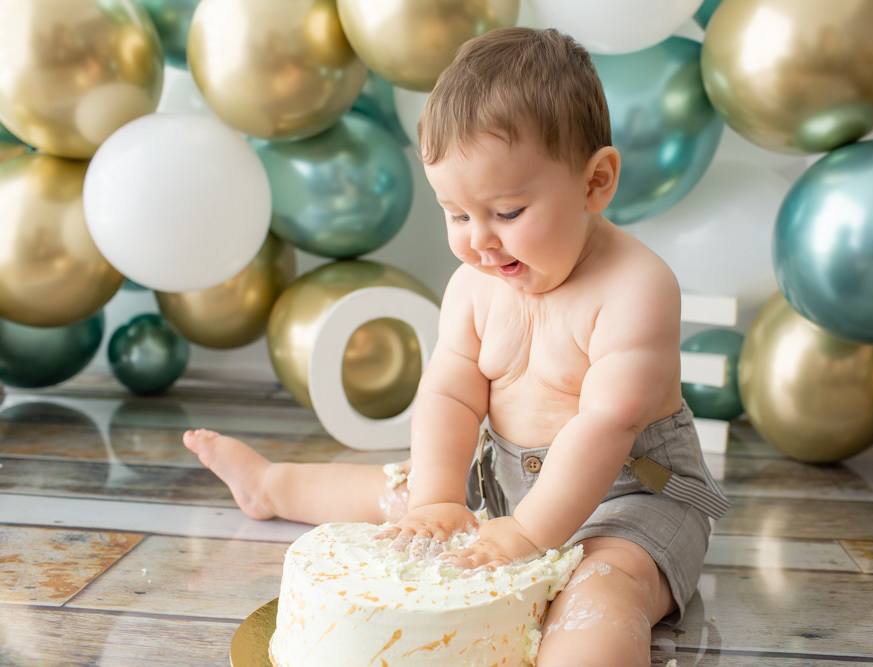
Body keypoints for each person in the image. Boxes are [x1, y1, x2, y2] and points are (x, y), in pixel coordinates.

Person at [183, 27, 728, 666]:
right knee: (410, 496)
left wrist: (529, 534)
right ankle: (273, 487)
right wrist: (440, 500)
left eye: (507, 212)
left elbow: (609, 423)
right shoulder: (475, 286)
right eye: (457, 214)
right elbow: (449, 392)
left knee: (601, 586)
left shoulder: (636, 287)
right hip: (505, 489)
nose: (480, 241)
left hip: (629, 497)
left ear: (595, 183)